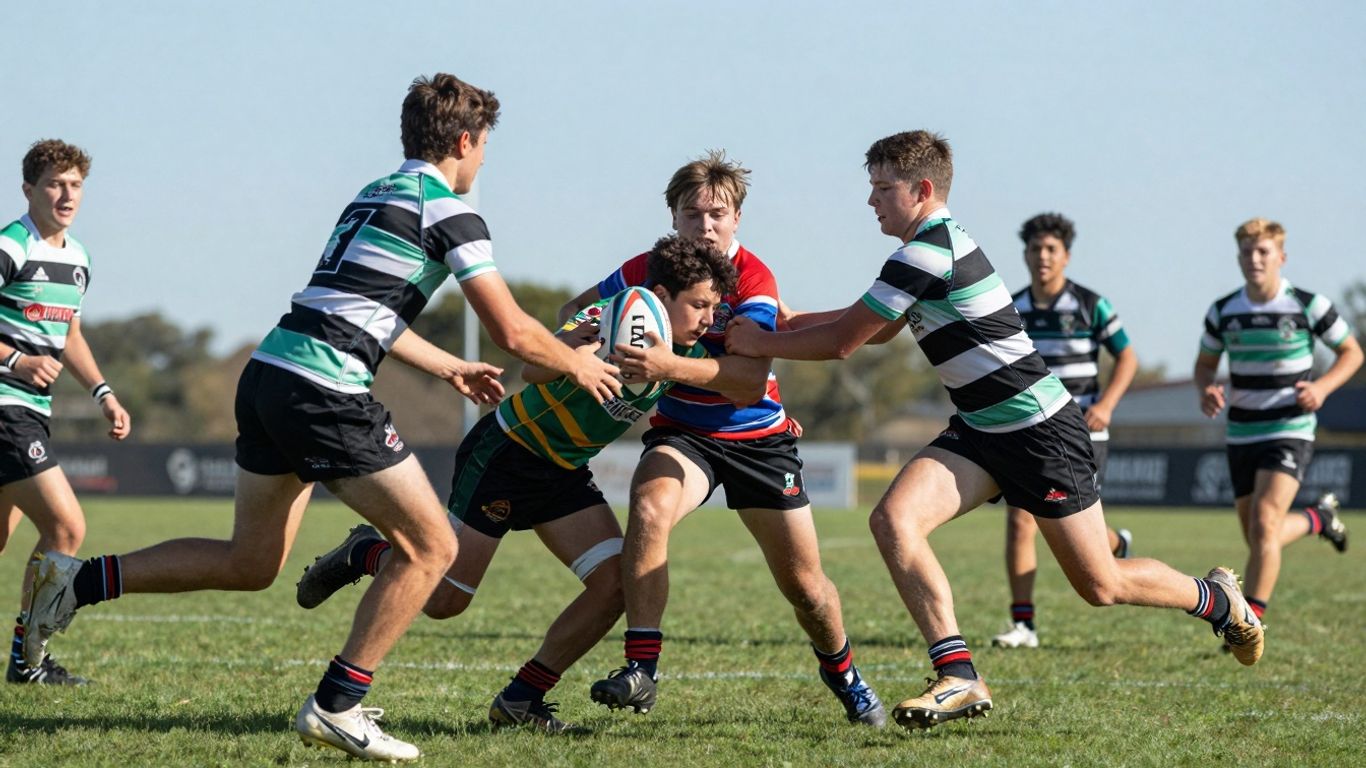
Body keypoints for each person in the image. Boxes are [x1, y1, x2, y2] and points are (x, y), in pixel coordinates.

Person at [24, 73, 620, 762]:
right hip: (324, 389)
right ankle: (338, 706)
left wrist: (446, 366)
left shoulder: (375, 194)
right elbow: (513, 330)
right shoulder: (451, 209)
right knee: (434, 548)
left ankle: (77, 580)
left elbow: (359, 306)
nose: (483, 159)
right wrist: (578, 363)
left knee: (251, 561)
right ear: (464, 139)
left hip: (271, 372)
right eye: (484, 146)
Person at [725, 130, 1265, 732]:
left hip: (1041, 432)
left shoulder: (926, 253)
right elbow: (874, 325)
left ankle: (1217, 599)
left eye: (883, 188)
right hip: (983, 430)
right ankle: (958, 675)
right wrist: (791, 321)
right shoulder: (924, 251)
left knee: (1101, 585)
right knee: (893, 521)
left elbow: (847, 341)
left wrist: (762, 341)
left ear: (922, 190)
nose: (871, 201)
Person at [295, 234, 736, 733]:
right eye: (698, 304)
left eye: (713, 308)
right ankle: (367, 553)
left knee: (615, 584)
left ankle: (522, 699)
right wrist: (581, 351)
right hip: (508, 453)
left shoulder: (687, 349)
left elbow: (738, 381)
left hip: (563, 471)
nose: (706, 317)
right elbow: (533, 369)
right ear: (660, 295)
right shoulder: (607, 317)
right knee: (446, 601)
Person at [566, 151, 886, 727]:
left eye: (717, 214)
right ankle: (642, 669)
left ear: (737, 218)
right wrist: (597, 327)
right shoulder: (647, 270)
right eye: (692, 215)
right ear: (673, 217)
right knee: (649, 503)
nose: (705, 226)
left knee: (806, 589)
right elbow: (570, 315)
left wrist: (662, 364)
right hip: (685, 434)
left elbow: (744, 384)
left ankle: (844, 674)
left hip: (758, 438)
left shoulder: (754, 279)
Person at [1, 139, 131, 686]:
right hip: (6, 407)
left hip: (32, 410)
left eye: (75, 184)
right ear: (29, 189)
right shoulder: (10, 245)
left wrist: (103, 391)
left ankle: (23, 660)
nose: (66, 194)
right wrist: (15, 361)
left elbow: (69, 332)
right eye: (54, 183)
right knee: (67, 527)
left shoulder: (79, 258)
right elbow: (26, 354)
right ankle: (29, 659)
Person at [1193, 217, 1360, 629]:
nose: (1255, 259)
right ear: (1238, 258)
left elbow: (1352, 353)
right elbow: (1204, 365)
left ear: (1281, 257)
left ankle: (1248, 621)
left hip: (1290, 427)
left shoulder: (1308, 305)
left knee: (1265, 525)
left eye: (1263, 251)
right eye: (1247, 252)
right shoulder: (1224, 311)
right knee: (1257, 537)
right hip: (1241, 432)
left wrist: (1322, 388)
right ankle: (1318, 518)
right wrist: (1207, 389)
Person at [992, 212, 1138, 650]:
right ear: (1025, 255)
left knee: (1082, 535)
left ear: (1066, 257)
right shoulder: (1011, 307)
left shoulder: (1092, 305)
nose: (1042, 257)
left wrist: (1107, 405)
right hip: (1028, 431)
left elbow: (1127, 357)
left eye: (1051, 249)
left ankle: (1116, 542)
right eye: (1035, 249)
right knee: (1021, 520)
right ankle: (1024, 625)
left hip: (1082, 433)